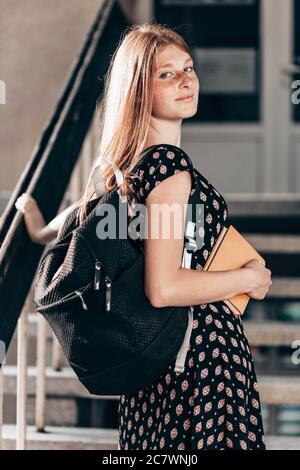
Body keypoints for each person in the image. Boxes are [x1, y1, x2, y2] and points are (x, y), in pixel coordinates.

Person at [16, 23, 271, 450]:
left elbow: (81, 221)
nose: (186, 80)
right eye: (166, 74)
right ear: (137, 90)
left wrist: (37, 226)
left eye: (188, 68)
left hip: (159, 364)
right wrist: (250, 279)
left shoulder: (129, 172)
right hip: (203, 358)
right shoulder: (169, 168)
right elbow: (164, 286)